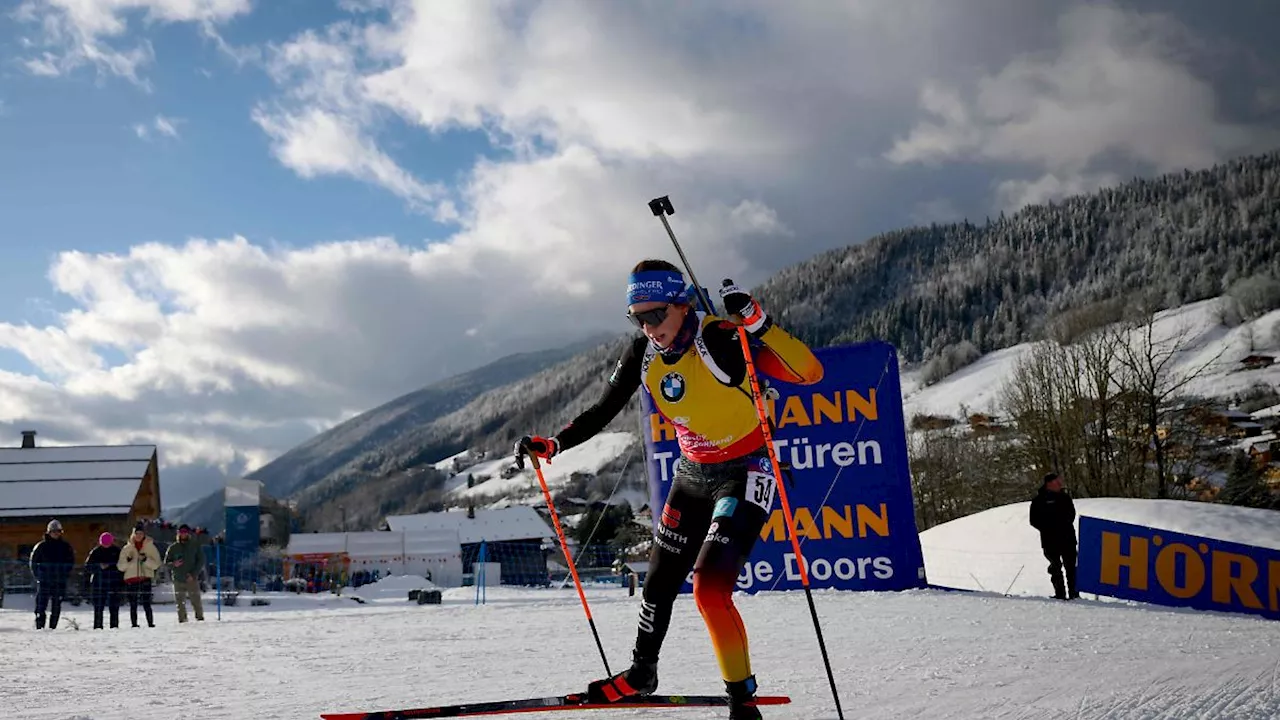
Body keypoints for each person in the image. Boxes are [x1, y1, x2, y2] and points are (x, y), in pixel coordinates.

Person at [516, 259, 823, 720]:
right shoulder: (642, 352)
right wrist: (555, 443)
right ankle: (642, 673)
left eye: (656, 315)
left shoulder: (719, 338)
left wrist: (759, 323)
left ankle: (742, 699)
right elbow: (603, 408)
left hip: (745, 469)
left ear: (681, 305)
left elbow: (809, 373)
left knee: (709, 590)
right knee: (658, 583)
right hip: (692, 474)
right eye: (637, 317)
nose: (648, 326)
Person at [1029, 471, 1078, 600]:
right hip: (1049, 540)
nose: (1060, 484)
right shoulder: (1038, 500)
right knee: (1055, 567)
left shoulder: (1065, 498)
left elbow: (1071, 515)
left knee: (1071, 567)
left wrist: (1063, 525)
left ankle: (1074, 594)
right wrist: (1048, 528)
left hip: (1068, 538)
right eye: (1057, 482)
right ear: (1049, 484)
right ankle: (1060, 593)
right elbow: (1034, 520)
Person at [29, 519, 75, 630]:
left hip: (59, 581)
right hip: (44, 580)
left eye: (58, 531)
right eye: (54, 531)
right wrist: (38, 576)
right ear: (49, 532)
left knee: (56, 605)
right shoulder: (41, 546)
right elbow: (33, 562)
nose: (56, 533)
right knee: (41, 605)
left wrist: (64, 574)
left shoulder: (65, 547)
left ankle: (53, 627)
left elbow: (70, 562)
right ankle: (40, 626)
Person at [117, 522, 161, 627]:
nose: (139, 536)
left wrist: (146, 560)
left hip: (145, 577)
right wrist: (128, 561)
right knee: (133, 604)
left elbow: (156, 564)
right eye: (137, 533)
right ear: (133, 534)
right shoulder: (126, 549)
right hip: (131, 579)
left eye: (141, 533)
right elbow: (120, 567)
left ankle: (150, 623)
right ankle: (134, 624)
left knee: (147, 603)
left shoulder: (151, 547)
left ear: (144, 534)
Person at [165, 524, 206, 622]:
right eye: (181, 532)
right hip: (178, 578)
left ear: (188, 533)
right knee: (180, 602)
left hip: (191, 578)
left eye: (185, 532)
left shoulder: (194, 545)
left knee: (196, 600)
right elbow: (166, 562)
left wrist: (194, 574)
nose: (183, 534)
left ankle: (199, 618)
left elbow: (201, 560)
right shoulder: (173, 547)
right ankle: (182, 619)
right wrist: (173, 564)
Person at [85, 532, 123, 629]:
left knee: (114, 606)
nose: (106, 545)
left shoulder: (117, 551)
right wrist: (99, 566)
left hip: (114, 582)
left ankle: (114, 626)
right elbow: (88, 566)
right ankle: (98, 626)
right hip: (99, 583)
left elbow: (122, 566)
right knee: (98, 607)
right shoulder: (95, 552)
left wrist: (111, 566)